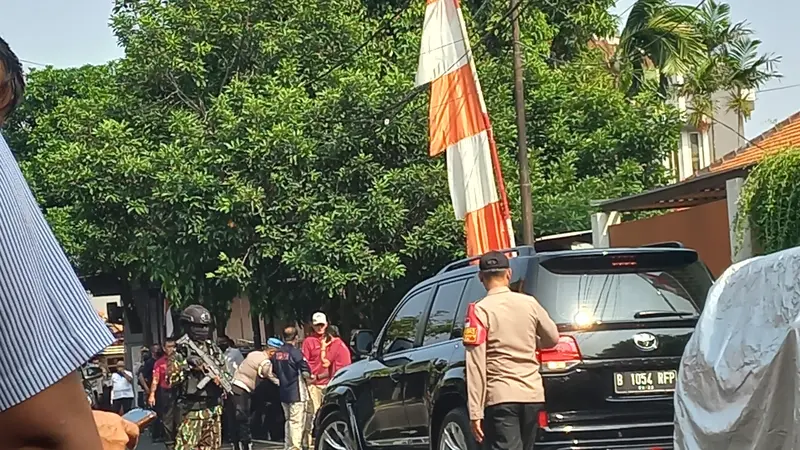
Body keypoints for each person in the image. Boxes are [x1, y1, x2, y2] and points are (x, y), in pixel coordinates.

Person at [465, 251, 560, 450]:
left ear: (481, 277)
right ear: (509, 274)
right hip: (532, 394)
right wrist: (531, 342)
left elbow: (476, 365)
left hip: (501, 397)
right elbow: (552, 338)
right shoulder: (530, 303)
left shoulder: (480, 311)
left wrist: (475, 413)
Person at [169, 304, 230, 450]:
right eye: (198, 326)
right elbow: (171, 379)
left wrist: (220, 380)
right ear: (187, 326)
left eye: (205, 327)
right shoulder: (180, 351)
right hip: (191, 411)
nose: (203, 330)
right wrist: (188, 365)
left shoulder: (213, 349)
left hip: (213, 410)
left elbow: (226, 373)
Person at [301, 312, 351, 448]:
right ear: (312, 325)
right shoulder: (308, 342)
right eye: (317, 325)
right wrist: (309, 377)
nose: (319, 328)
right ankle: (307, 442)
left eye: (322, 325)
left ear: (326, 324)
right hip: (314, 384)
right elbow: (303, 362)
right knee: (313, 413)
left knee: (327, 414)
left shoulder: (333, 342)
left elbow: (341, 362)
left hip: (330, 383)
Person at [229, 337, 283, 450]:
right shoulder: (266, 362)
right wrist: (281, 384)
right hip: (244, 389)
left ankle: (236, 443)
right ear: (272, 352)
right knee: (243, 417)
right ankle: (245, 443)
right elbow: (269, 376)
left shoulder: (254, 353)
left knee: (235, 417)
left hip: (234, 385)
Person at [272, 326, 312, 450]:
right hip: (297, 392)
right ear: (296, 337)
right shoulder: (296, 353)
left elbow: (274, 371)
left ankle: (288, 445)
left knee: (288, 421)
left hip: (283, 392)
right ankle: (295, 447)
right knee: (296, 421)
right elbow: (305, 371)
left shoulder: (277, 354)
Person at [149, 337, 179, 449]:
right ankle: (170, 443)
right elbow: (155, 379)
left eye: (173, 346)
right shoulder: (159, 363)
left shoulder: (180, 361)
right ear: (164, 348)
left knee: (180, 418)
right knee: (167, 420)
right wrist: (152, 394)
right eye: (169, 347)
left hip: (180, 392)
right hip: (166, 392)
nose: (172, 349)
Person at [219, 335, 244, 444]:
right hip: (219, 385)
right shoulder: (216, 353)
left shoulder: (235, 352)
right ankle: (226, 435)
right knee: (223, 413)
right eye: (219, 342)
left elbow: (241, 366)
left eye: (223, 342)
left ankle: (235, 436)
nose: (221, 344)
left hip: (233, 385)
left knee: (234, 412)